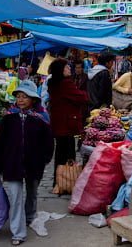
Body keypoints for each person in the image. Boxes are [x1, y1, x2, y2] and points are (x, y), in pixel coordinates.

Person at [0, 80, 54, 245]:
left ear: (33, 99)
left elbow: (48, 142)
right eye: (18, 96)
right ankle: (18, 232)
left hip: (34, 164)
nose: (20, 100)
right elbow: (0, 143)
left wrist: (45, 158)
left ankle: (29, 216)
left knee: (32, 193)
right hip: (12, 164)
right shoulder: (8, 118)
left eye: (24, 97)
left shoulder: (41, 118)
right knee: (16, 197)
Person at [47, 59, 88, 190]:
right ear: (60, 70)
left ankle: (59, 182)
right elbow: (81, 97)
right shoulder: (65, 84)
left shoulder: (53, 82)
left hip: (59, 121)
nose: (69, 69)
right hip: (66, 122)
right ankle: (65, 182)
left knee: (60, 151)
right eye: (66, 67)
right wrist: (84, 93)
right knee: (67, 153)